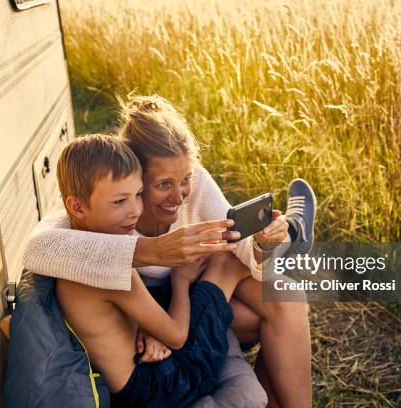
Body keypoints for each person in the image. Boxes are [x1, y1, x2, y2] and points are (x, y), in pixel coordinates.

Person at [24, 95, 316, 407]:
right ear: (136, 174)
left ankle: (289, 235)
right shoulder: (109, 199)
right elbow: (37, 248)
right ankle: (294, 235)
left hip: (189, 287)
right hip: (169, 301)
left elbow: (243, 251)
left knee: (286, 296)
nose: (179, 198)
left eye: (185, 180)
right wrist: (151, 251)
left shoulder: (195, 183)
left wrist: (263, 245)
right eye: (163, 185)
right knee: (245, 303)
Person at [53, 134, 254, 407]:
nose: (135, 211)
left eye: (137, 195)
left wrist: (148, 331)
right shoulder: (108, 265)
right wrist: (181, 281)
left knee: (213, 262)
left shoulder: (75, 254)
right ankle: (279, 239)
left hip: (142, 377)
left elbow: (121, 316)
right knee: (226, 264)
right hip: (163, 388)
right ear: (77, 206)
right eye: (119, 202)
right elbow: (177, 336)